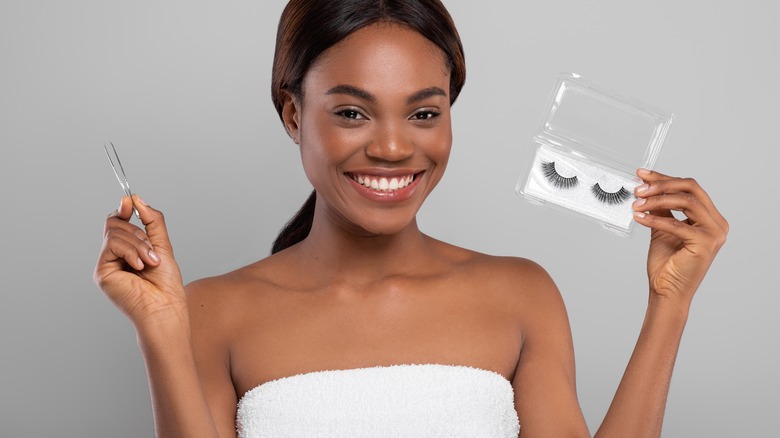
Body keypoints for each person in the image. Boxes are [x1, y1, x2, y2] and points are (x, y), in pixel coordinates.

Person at [93, 0, 728, 436]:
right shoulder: (211, 313)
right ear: (292, 115)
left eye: (424, 113)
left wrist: (669, 303)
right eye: (351, 113)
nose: (394, 148)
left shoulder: (520, 296)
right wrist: (161, 328)